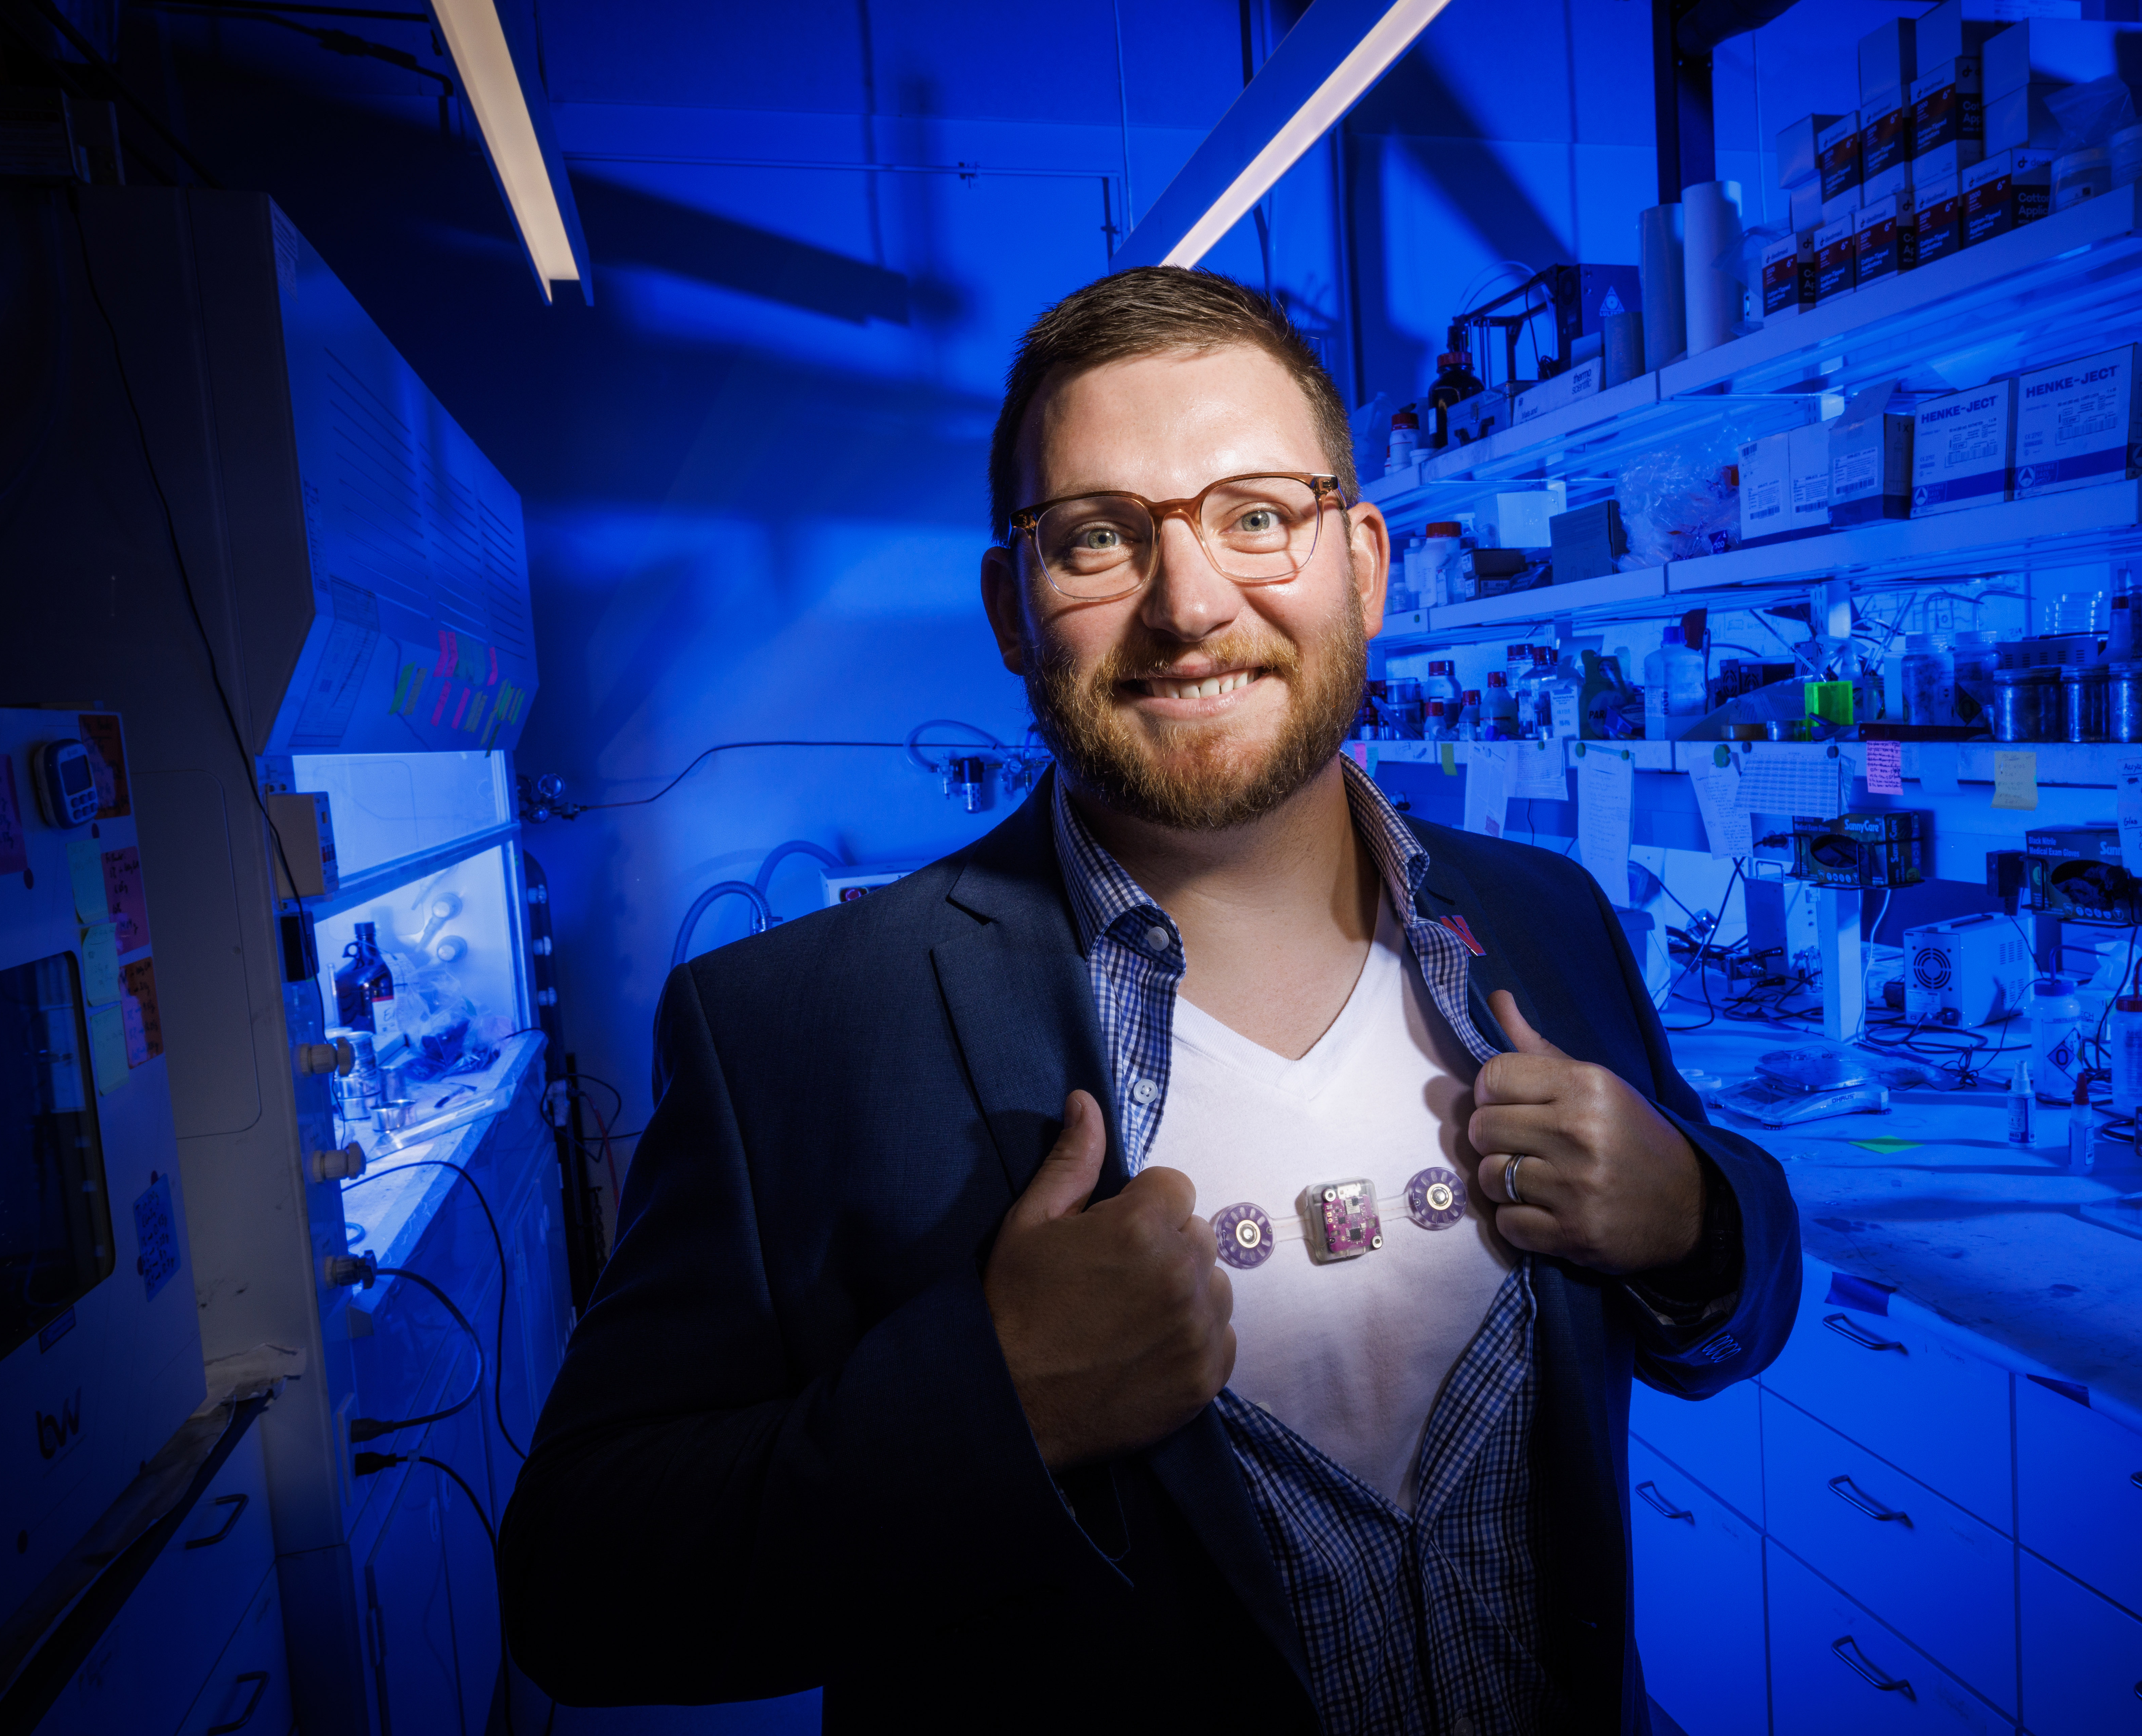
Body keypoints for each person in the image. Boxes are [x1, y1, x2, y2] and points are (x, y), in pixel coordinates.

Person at [502, 267, 1799, 1734]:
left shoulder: (1541, 913)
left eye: (1257, 516)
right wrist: (997, 1411)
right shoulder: (789, 1034)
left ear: (1362, 565)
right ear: (1011, 606)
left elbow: (1738, 1307)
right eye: (1099, 539)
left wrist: (1691, 1214)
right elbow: (579, 1588)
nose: (1190, 604)